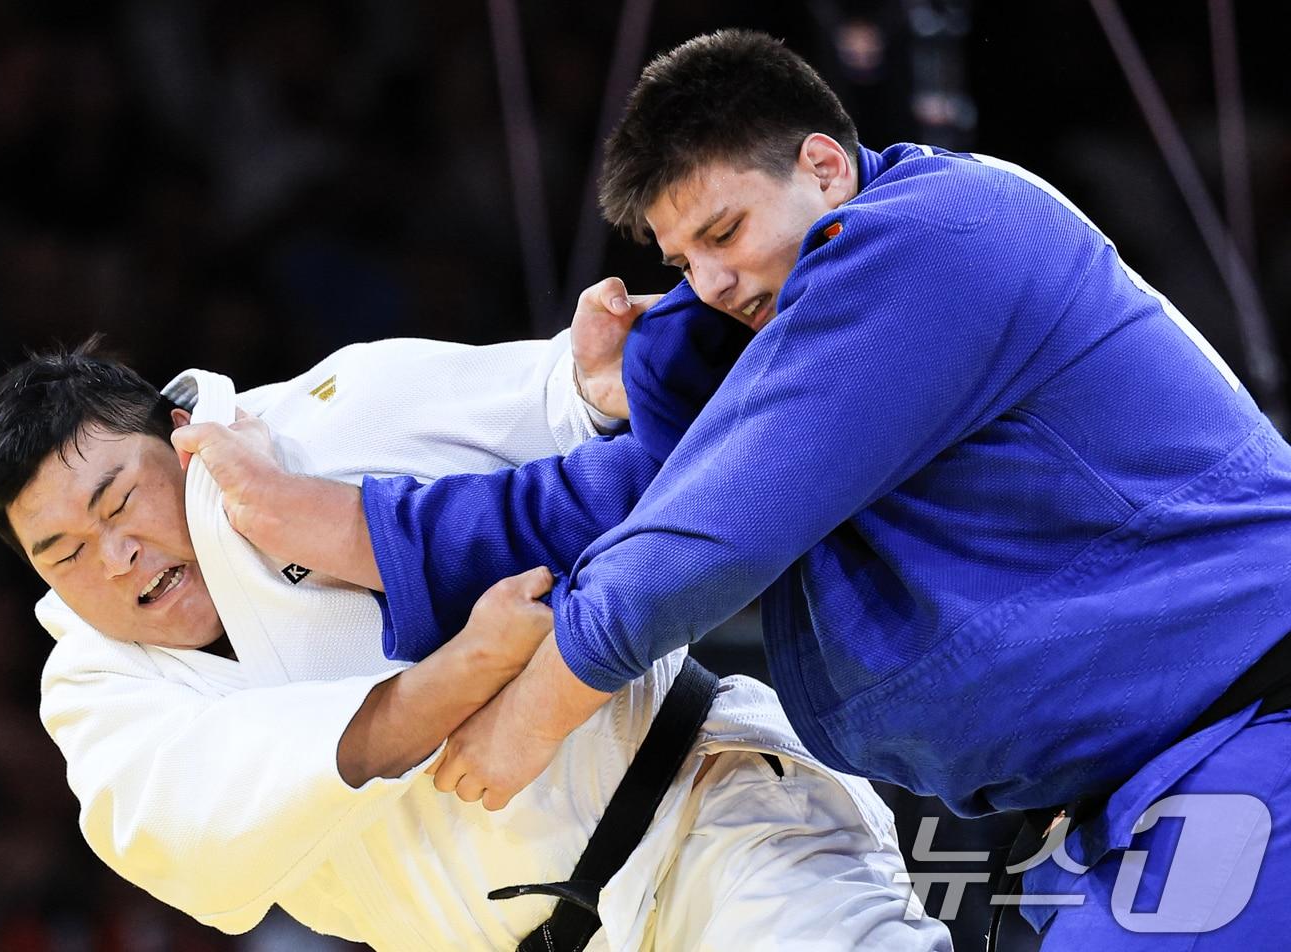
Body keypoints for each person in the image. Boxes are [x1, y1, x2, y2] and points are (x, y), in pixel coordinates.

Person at [356, 28, 1291, 950]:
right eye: (682, 263)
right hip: (1121, 801)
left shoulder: (943, 229)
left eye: (725, 232)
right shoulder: (774, 327)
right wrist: (344, 523)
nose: (712, 282)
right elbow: (638, 503)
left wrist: (537, 708)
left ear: (824, 166)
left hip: (1249, 731)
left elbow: (708, 537)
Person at [0, 333, 950, 951]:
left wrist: (600, 372)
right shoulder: (94, 691)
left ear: (180, 431)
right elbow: (204, 837)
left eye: (119, 500)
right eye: (65, 555)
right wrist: (463, 671)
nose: (118, 557)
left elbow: (559, 395)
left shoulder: (332, 413)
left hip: (711, 825)